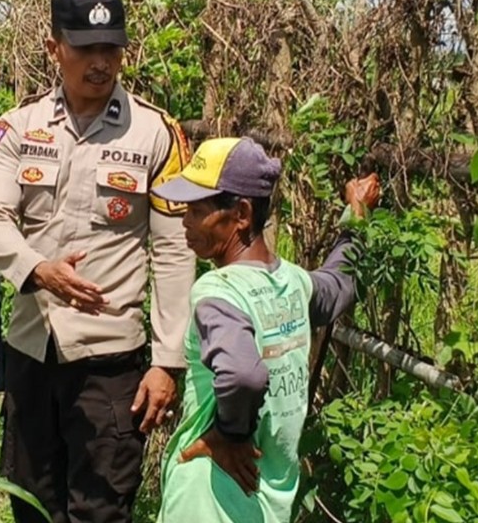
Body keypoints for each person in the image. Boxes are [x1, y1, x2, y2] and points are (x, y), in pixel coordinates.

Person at [0, 0, 196, 523]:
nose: (101, 63)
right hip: (31, 350)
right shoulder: (19, 127)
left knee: (100, 511)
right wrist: (37, 271)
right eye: (85, 49)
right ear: (55, 48)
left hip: (110, 363)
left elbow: (172, 251)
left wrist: (168, 361)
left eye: (112, 50)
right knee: (31, 502)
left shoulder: (156, 134)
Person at [152, 136, 380, 522]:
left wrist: (231, 435)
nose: (184, 221)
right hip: (262, 496)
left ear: (241, 214)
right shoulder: (292, 283)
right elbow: (340, 284)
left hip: (208, 493)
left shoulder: (216, 291)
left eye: (196, 210)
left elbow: (243, 375)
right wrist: (356, 216)